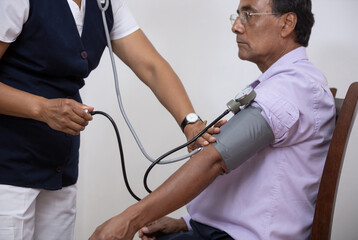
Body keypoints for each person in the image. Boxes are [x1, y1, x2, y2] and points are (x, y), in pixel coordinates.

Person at [89, 0, 336, 239]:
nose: (236, 26)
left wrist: (130, 220)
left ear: (287, 23)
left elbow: (214, 159)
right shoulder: (281, 84)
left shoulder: (296, 86)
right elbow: (257, 178)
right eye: (237, 16)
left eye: (248, 15)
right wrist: (185, 223)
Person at [0, 0, 221, 239]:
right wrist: (41, 108)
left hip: (59, 169)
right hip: (9, 170)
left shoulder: (105, 5)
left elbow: (151, 66)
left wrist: (190, 122)